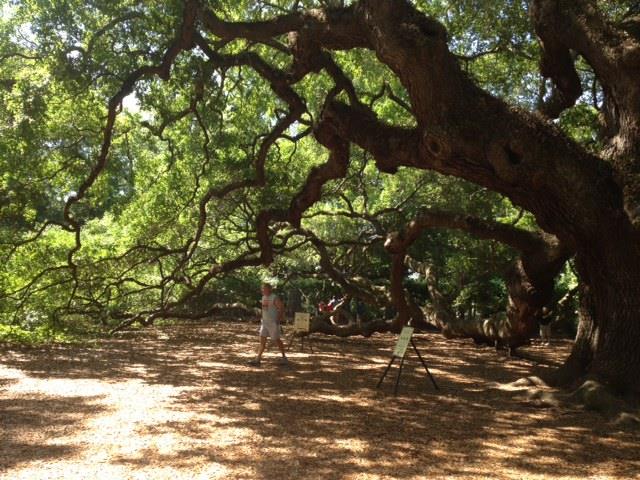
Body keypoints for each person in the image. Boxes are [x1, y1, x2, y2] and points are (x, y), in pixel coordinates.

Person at [248, 283, 288, 366]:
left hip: (273, 323)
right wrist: (260, 318)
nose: (263, 290)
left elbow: (281, 308)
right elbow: (264, 309)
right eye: (262, 289)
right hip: (265, 323)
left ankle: (284, 358)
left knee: (277, 340)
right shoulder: (263, 297)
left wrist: (278, 319)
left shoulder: (274, 297)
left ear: (270, 289)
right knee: (262, 341)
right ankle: (258, 359)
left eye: (265, 289)